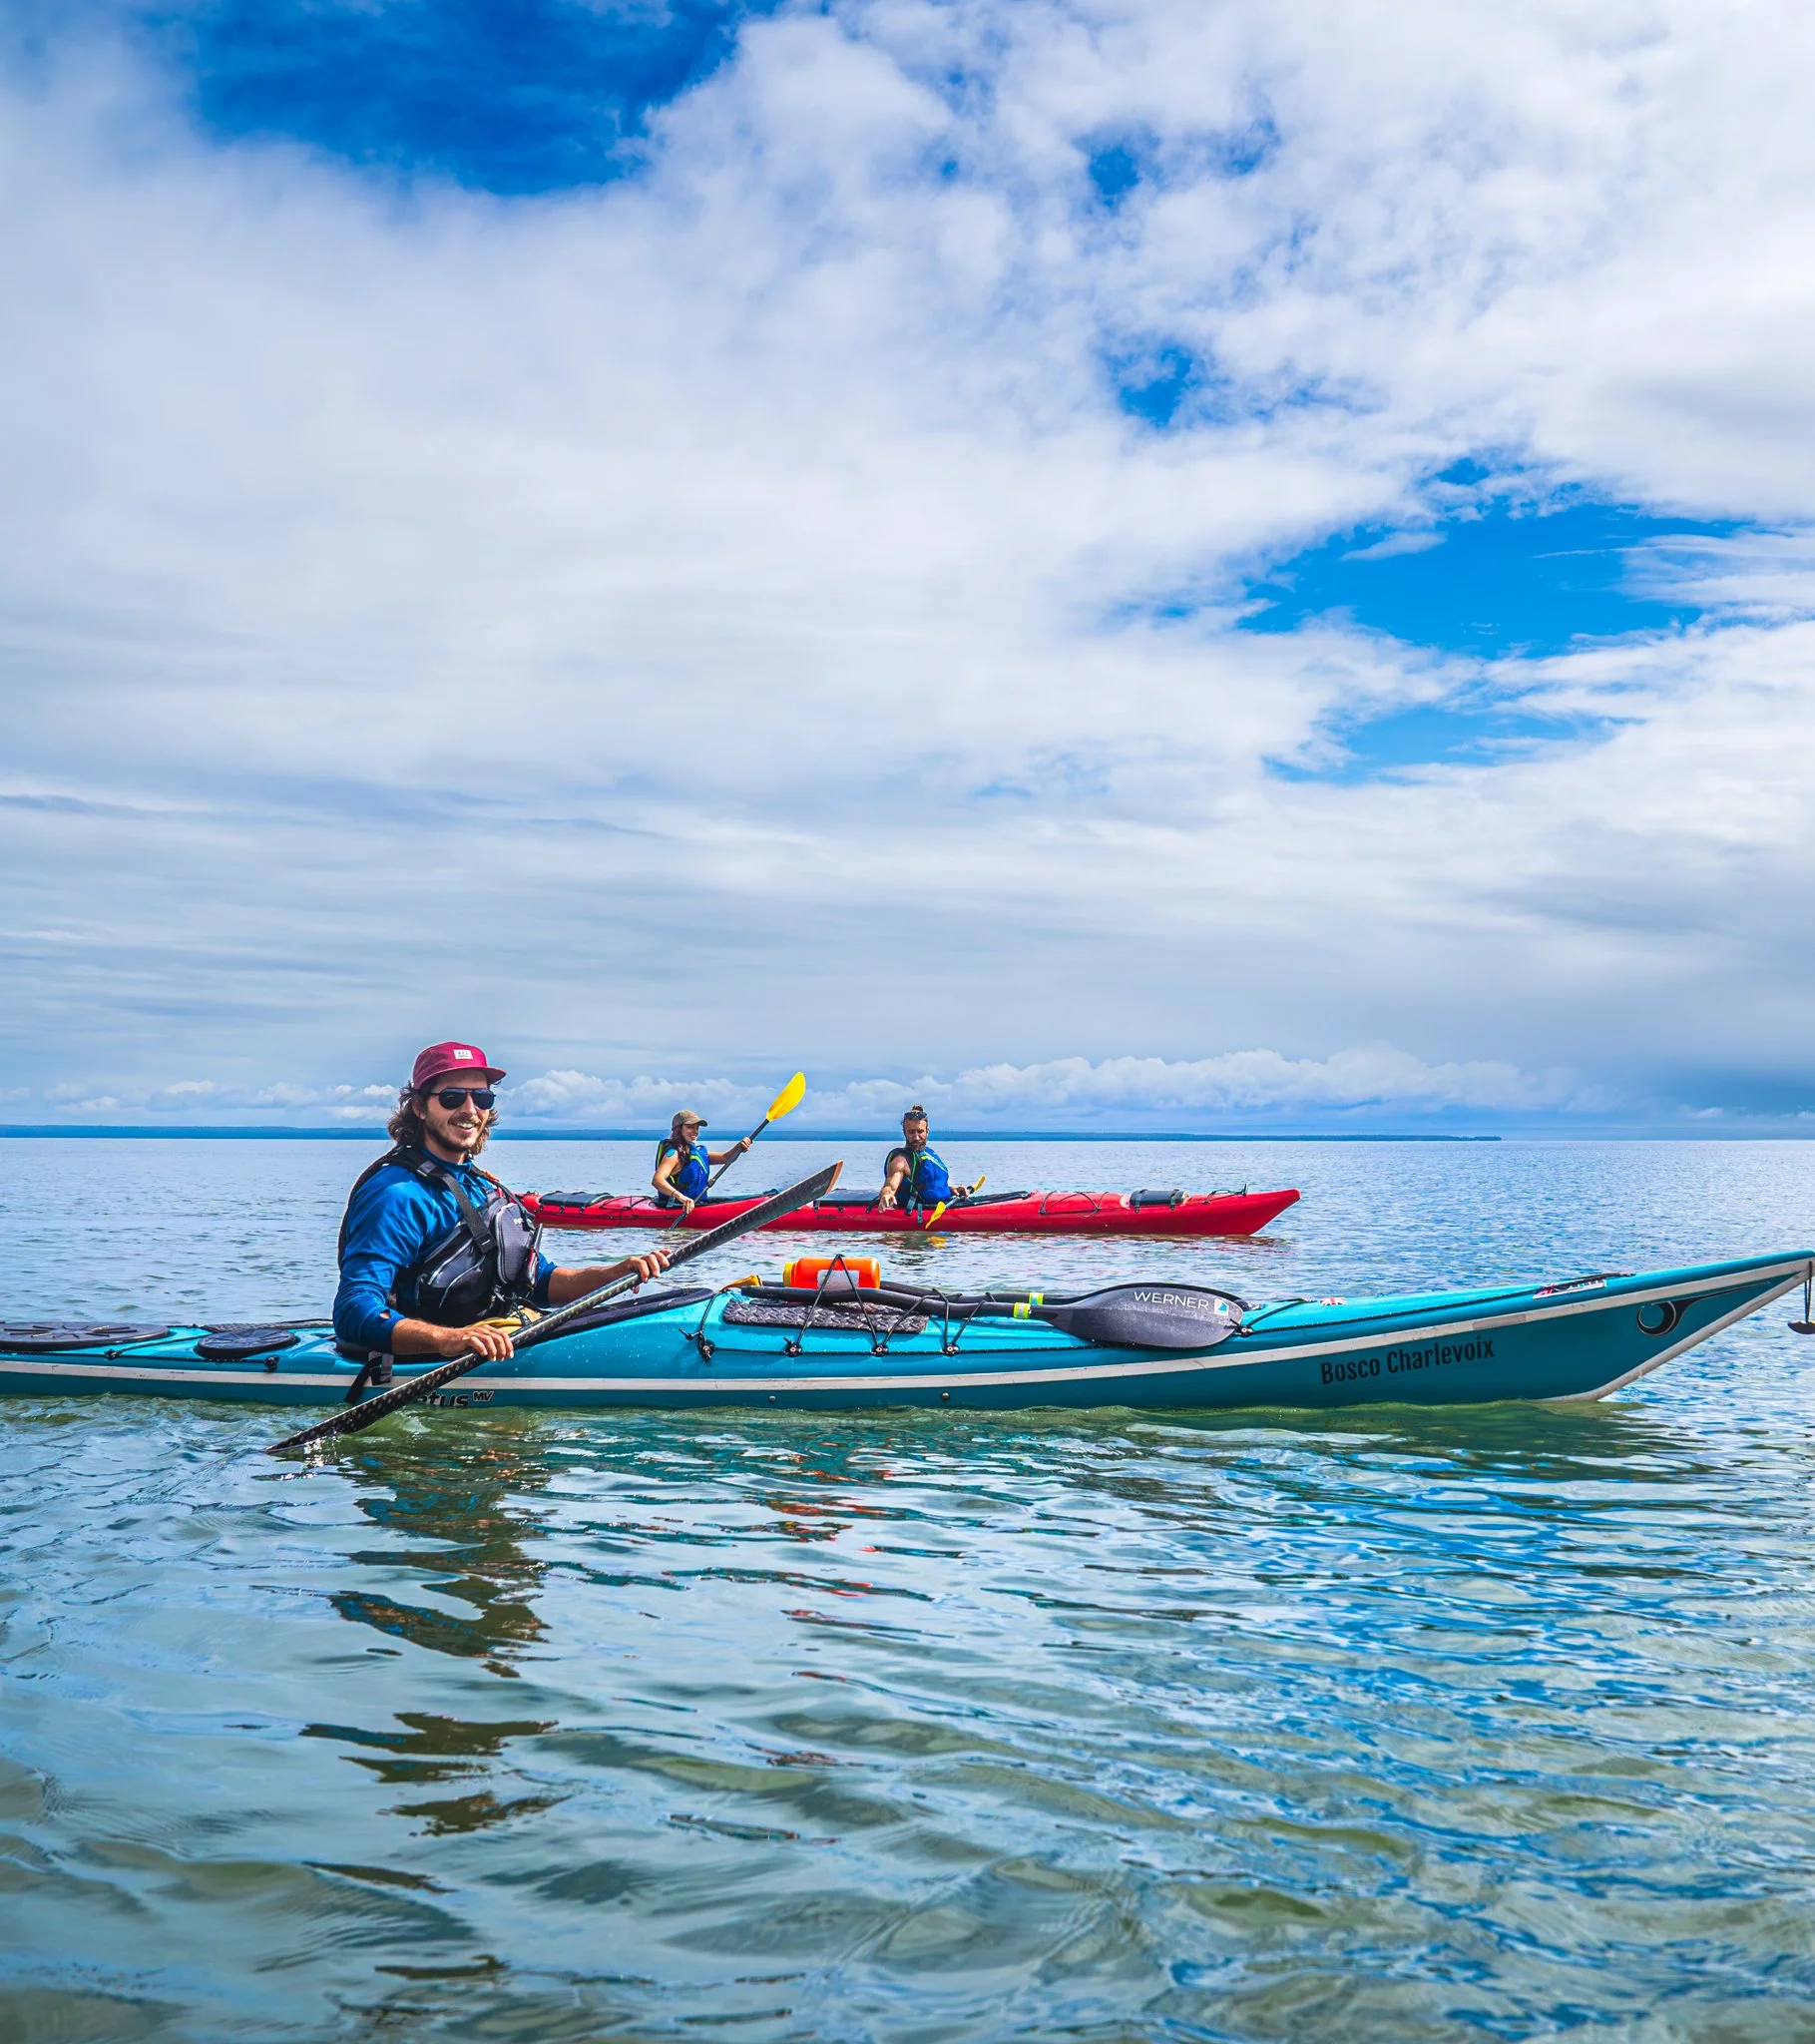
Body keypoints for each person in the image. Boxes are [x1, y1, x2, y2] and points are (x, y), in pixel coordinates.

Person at [334, 1041, 671, 1366]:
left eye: (481, 1098)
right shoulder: (397, 1194)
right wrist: (449, 1339)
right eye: (452, 1097)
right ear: (419, 1108)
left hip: (502, 1342)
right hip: (432, 1362)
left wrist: (613, 1274)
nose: (470, 1110)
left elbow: (539, 1280)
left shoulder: (480, 1185)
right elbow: (354, 1310)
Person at [651, 1109, 751, 1216]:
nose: (695, 1131)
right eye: (690, 1127)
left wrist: (739, 1147)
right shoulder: (673, 1154)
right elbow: (657, 1180)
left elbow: (725, 1158)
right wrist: (681, 1197)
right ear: (678, 1129)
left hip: (696, 1203)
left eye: (697, 1128)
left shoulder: (694, 1153)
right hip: (676, 1206)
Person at [877, 1106, 973, 1212]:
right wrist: (887, 1194)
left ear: (927, 1131)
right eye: (911, 1132)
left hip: (944, 1204)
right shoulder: (900, 1161)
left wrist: (951, 1190)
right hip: (918, 1211)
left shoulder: (929, 1154)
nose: (916, 1137)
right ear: (904, 1132)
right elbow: (890, 1186)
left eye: (920, 1131)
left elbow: (930, 1187)